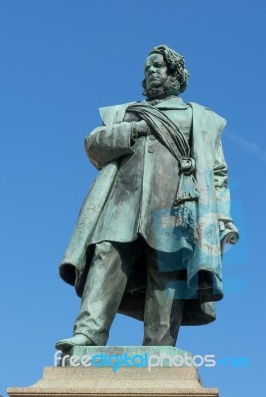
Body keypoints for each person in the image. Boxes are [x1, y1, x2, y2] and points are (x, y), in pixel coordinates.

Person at [55, 45, 238, 351]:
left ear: (174, 74)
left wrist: (221, 216)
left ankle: (159, 346)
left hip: (175, 204)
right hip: (122, 201)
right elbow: (93, 146)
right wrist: (135, 129)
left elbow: (217, 173)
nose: (151, 72)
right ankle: (88, 335)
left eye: (158, 67)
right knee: (105, 258)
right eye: (147, 69)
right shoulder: (124, 113)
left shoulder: (200, 117)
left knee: (167, 271)